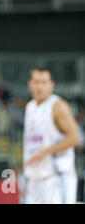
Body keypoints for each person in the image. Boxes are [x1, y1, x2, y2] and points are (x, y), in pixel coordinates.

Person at [23, 67, 80, 204]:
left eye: (44, 82)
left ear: (52, 84)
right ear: (29, 84)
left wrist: (45, 152)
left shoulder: (58, 106)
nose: (40, 86)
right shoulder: (30, 107)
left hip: (56, 178)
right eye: (36, 82)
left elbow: (75, 138)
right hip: (34, 178)